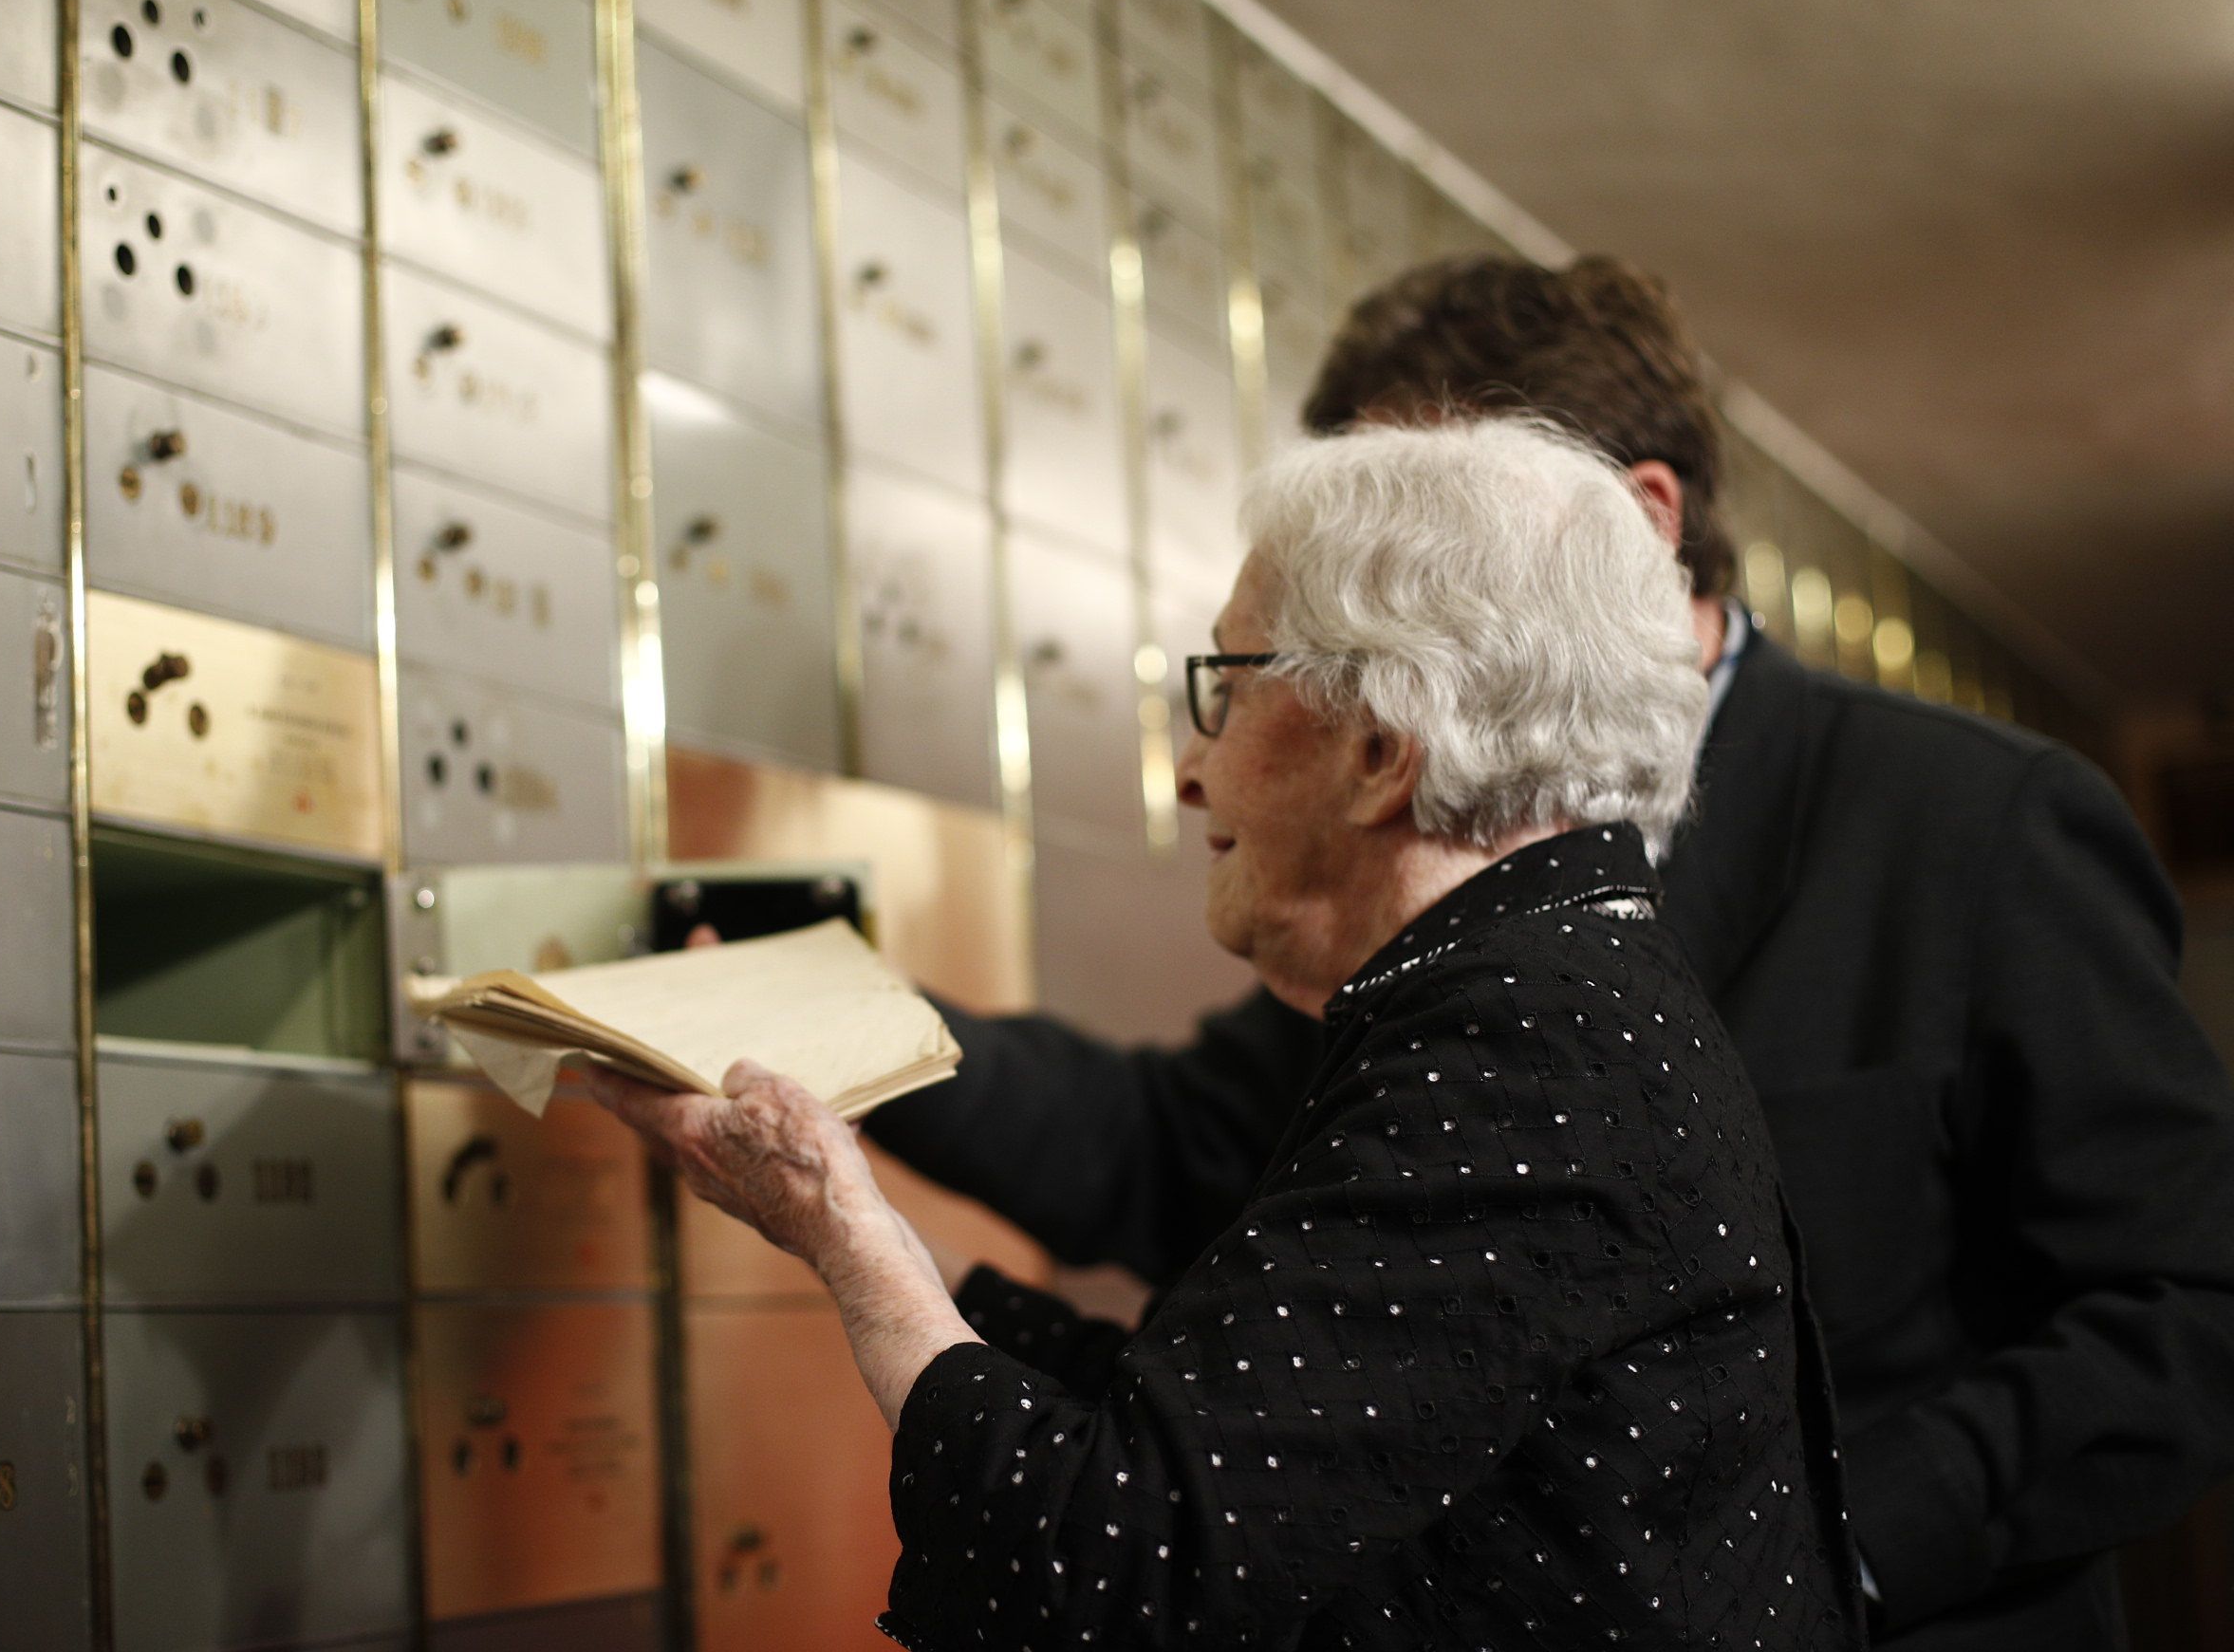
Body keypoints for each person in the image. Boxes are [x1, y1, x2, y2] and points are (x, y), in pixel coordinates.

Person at [866, 255, 2234, 1651]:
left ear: (1638, 522)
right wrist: (829, 1033)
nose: (1360, 612)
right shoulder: (1420, 877)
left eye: (1417, 527)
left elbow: (2190, 1305)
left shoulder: (1982, 824)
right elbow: (1173, 1151)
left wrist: (1812, 1542)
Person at [593, 419, 1863, 1650]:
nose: (1190, 770)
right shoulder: (1554, 985)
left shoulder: (1524, 1048)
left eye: (1225, 688)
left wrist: (840, 1230)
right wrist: (881, 1236)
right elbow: (1260, 1442)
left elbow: (1114, 1565)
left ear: (1378, 751)